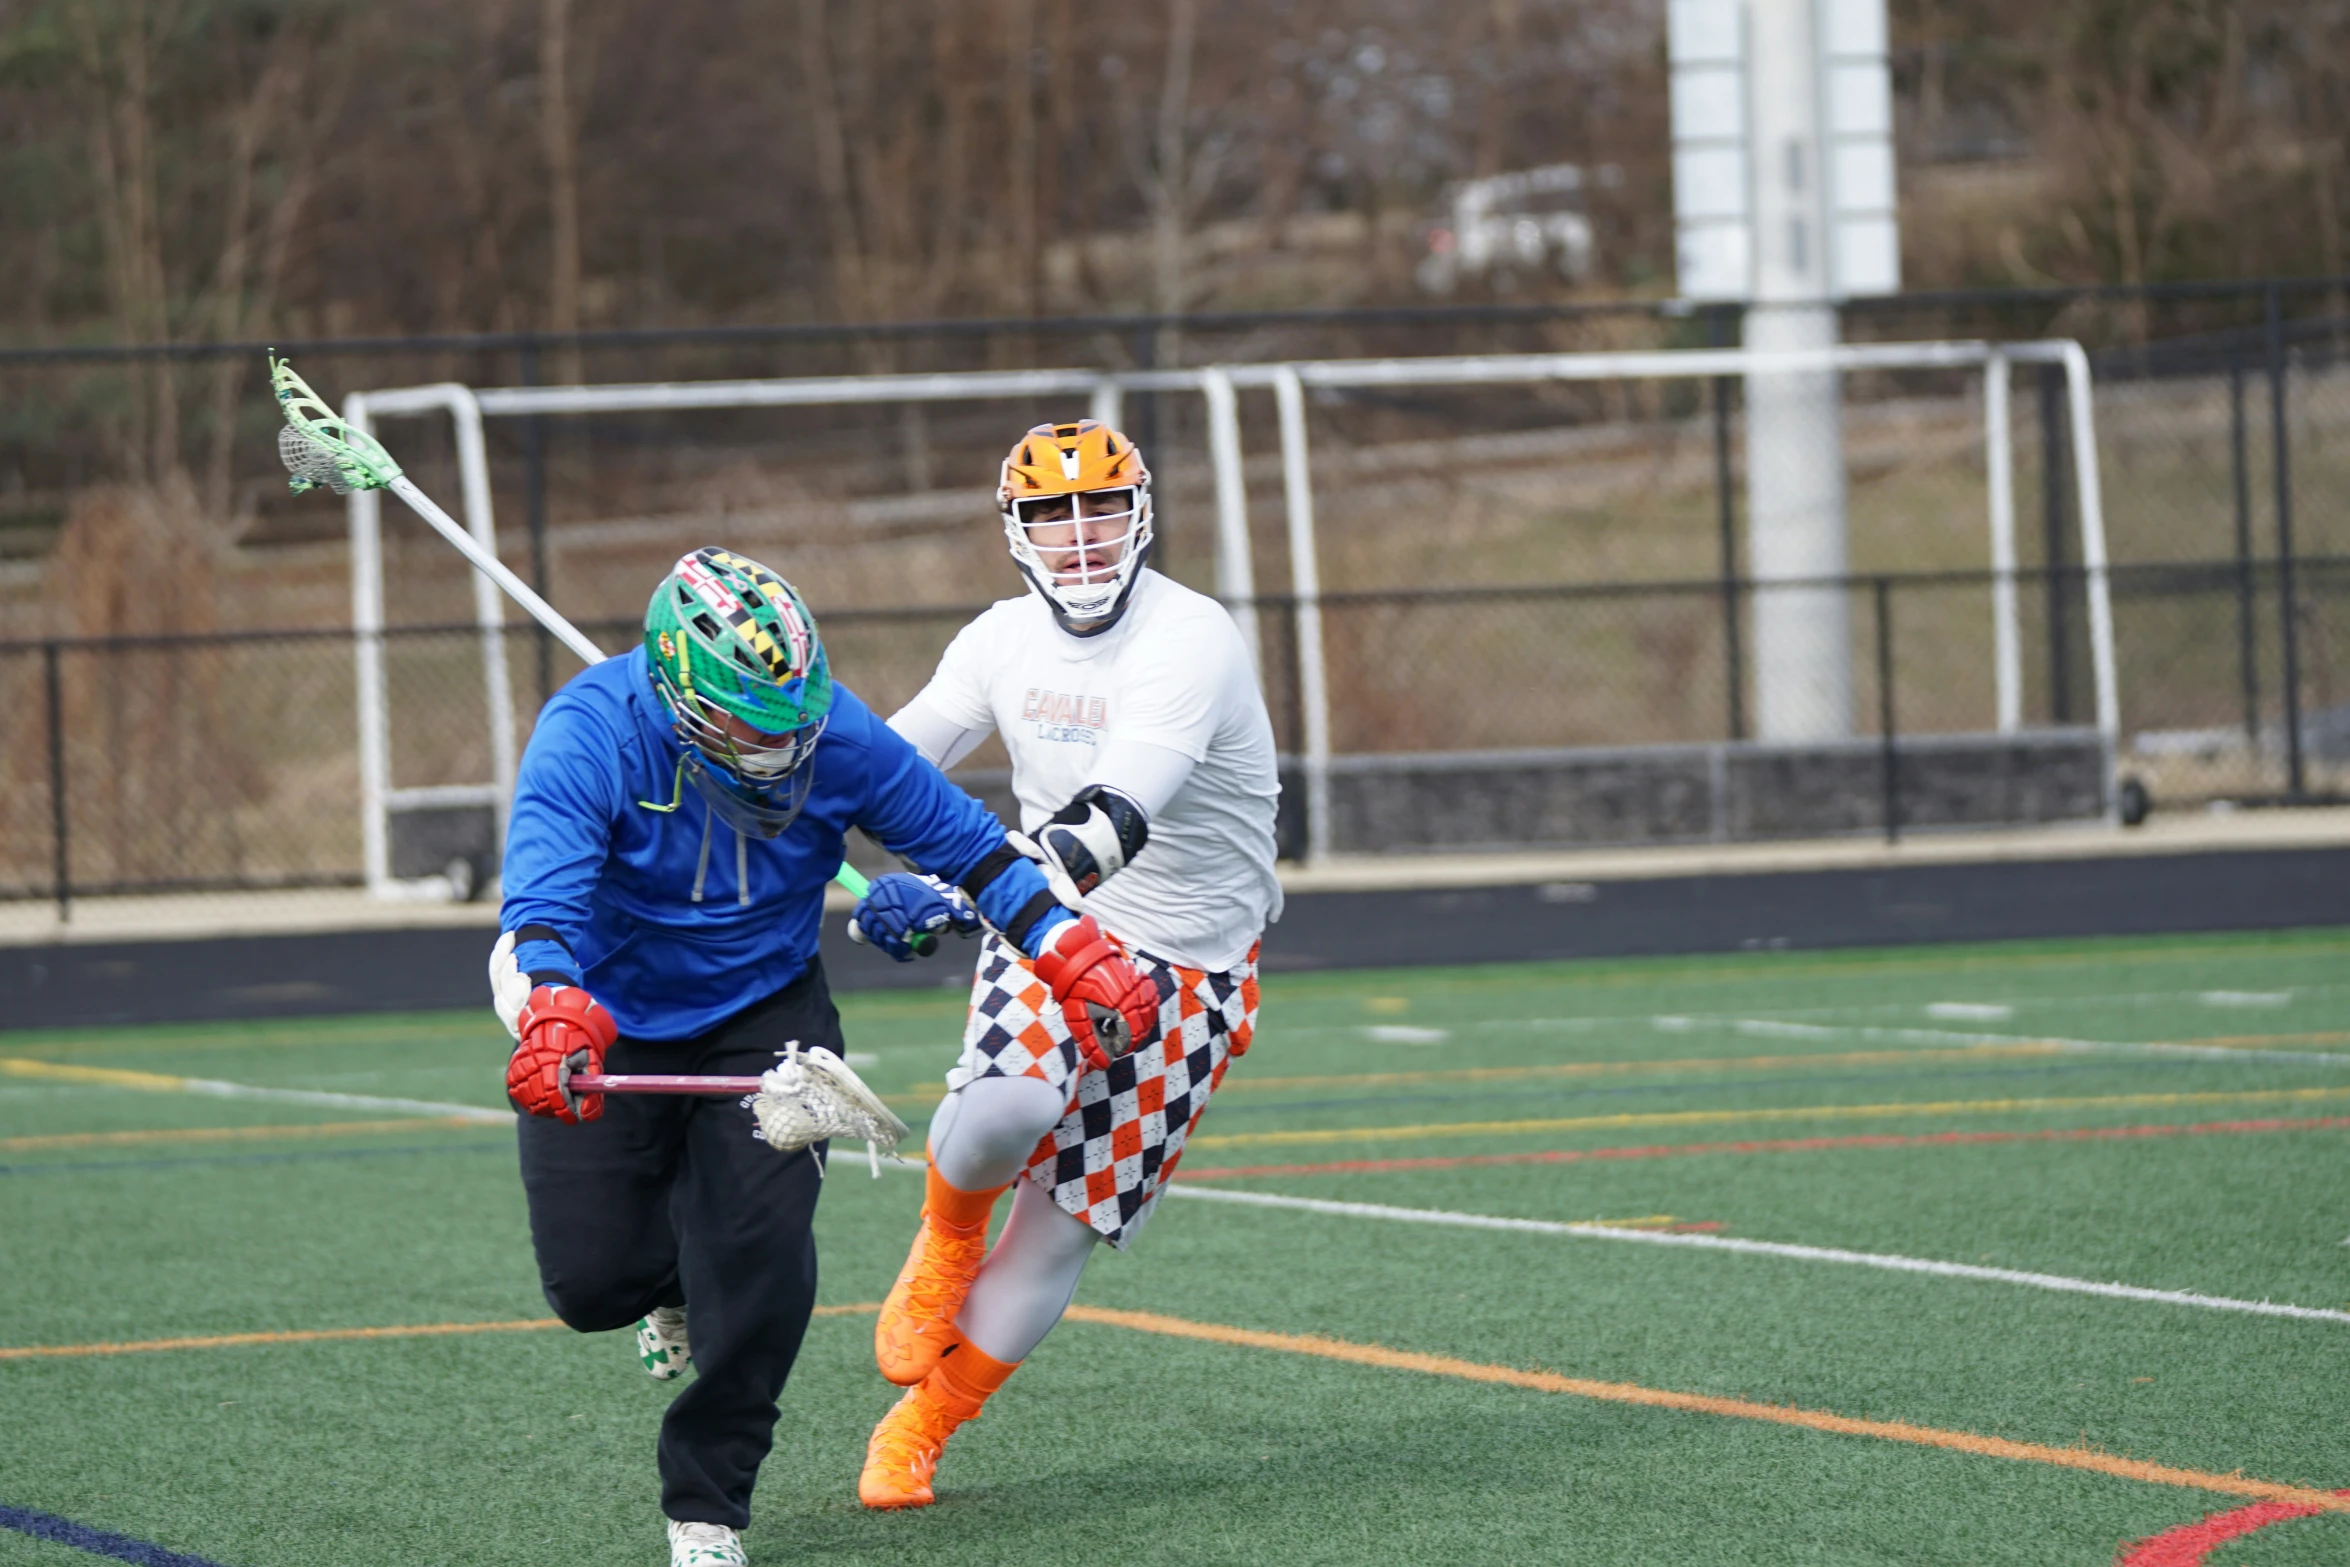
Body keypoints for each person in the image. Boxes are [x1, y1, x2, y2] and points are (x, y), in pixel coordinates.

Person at [490, 546, 1160, 1567]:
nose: (781, 748)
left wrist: (1072, 953)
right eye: (751, 726)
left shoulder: (830, 730)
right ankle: (659, 1282)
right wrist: (549, 1005)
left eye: (793, 719)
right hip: (603, 1010)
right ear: (678, 695)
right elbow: (542, 904)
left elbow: (972, 848)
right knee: (590, 1284)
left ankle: (706, 1507)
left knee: (758, 1264)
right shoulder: (585, 733)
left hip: (769, 1015)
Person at [845, 420, 1282, 1508]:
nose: (1079, 534)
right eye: (1052, 512)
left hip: (1196, 969)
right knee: (1008, 1103)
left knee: (1059, 1230)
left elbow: (1114, 816)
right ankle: (946, 1239)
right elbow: (878, 766)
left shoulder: (1193, 637)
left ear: (1138, 515)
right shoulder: (996, 641)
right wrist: (766, 772)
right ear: (1016, 530)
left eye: (1100, 508)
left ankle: (923, 1425)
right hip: (1053, 928)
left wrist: (947, 893)